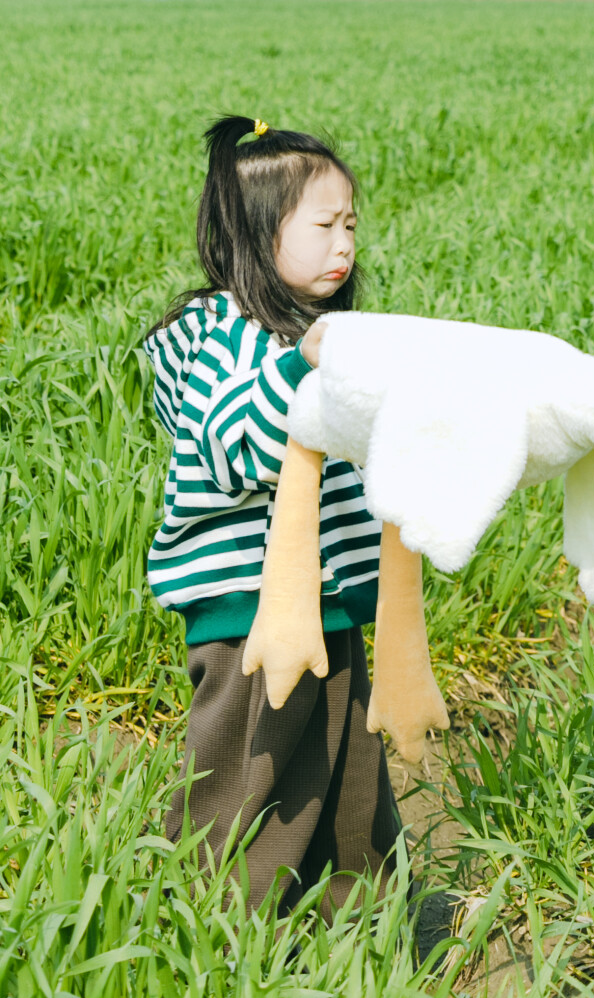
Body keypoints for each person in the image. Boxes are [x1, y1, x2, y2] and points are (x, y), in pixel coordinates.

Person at [143, 115, 400, 922]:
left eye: (351, 224)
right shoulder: (226, 334)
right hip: (250, 621)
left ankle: (363, 929)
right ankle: (217, 933)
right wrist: (304, 365)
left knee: (349, 787)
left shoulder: (313, 334)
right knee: (248, 796)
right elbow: (234, 441)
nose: (344, 243)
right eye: (324, 225)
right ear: (257, 233)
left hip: (333, 604)